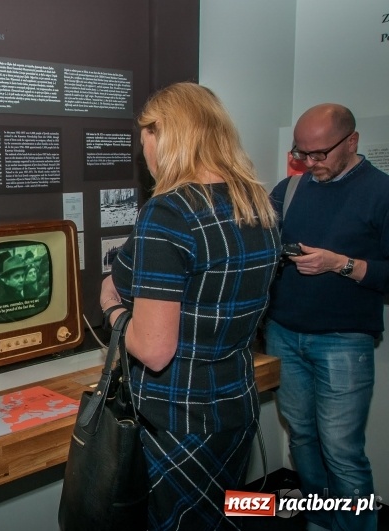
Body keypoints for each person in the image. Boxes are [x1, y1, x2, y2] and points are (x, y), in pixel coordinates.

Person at [100, 82, 280, 530]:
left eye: (145, 138)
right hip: (236, 404)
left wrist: (112, 312)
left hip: (179, 416)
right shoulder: (256, 203)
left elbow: (155, 348)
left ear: (164, 134)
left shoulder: (169, 213)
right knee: (224, 518)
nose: (145, 153)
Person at [265, 103, 389, 531]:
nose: (310, 163)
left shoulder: (382, 192)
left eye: (319, 154)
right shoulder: (289, 190)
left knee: (342, 451)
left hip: (344, 342)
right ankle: (321, 521)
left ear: (352, 142)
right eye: (302, 153)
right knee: (302, 438)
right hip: (283, 335)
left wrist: (342, 263)